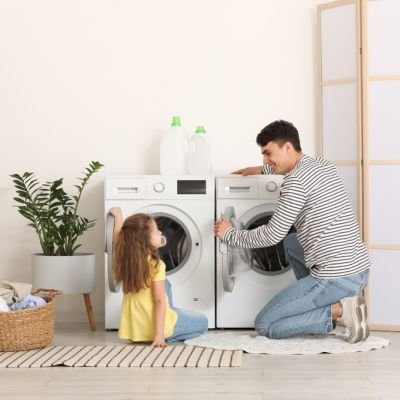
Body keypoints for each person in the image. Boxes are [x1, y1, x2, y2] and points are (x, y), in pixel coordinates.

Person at [214, 120, 371, 344]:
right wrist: (261, 170)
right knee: (292, 242)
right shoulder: (322, 165)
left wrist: (230, 234)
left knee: (265, 324)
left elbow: (271, 234)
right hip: (359, 270)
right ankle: (332, 301)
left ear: (288, 147)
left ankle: (339, 311)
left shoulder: (295, 182)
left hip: (335, 277)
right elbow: (283, 236)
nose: (265, 160)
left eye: (268, 154)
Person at [109, 207, 208, 347]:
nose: (160, 232)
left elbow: (119, 236)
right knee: (203, 321)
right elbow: (159, 301)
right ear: (144, 240)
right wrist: (160, 336)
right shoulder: (156, 265)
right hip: (157, 330)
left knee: (165, 285)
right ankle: (168, 333)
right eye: (156, 231)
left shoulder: (126, 256)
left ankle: (169, 316)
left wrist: (117, 214)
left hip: (135, 331)